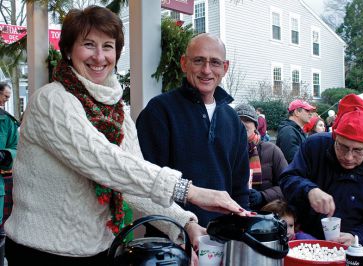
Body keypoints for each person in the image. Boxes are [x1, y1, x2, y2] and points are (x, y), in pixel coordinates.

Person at [4, 7, 249, 266]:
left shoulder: (117, 109)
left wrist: (185, 223)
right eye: (89, 45)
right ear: (68, 50)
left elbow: (132, 182)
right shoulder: (51, 100)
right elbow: (104, 161)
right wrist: (188, 191)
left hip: (100, 249)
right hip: (43, 253)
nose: (99, 56)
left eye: (108, 46)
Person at [136, 33, 250, 229]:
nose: (206, 70)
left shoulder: (233, 120)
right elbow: (148, 182)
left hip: (223, 238)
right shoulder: (159, 111)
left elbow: (240, 188)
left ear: (225, 67)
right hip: (173, 240)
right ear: (184, 63)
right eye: (198, 61)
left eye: (215, 62)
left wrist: (243, 228)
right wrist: (182, 228)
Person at [280, 94, 363, 261]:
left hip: (355, 255)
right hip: (307, 245)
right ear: (334, 137)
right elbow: (287, 178)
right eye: (342, 147)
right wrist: (309, 190)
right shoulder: (315, 146)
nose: (349, 157)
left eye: (358, 150)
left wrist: (356, 237)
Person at [234, 104, 287, 211]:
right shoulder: (225, 151)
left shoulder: (272, 150)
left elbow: (287, 184)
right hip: (234, 213)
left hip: (265, 215)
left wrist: (263, 196)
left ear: (255, 126)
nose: (243, 124)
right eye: (239, 120)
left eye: (247, 120)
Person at [0, 83, 19, 266]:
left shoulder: (8, 121)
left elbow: (15, 147)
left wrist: (5, 154)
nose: (6, 100)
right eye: (5, 96)